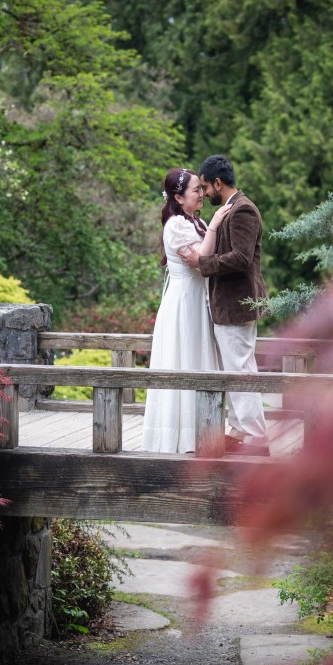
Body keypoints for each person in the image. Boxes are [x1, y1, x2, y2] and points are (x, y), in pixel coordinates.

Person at [179, 154, 270, 456]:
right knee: (235, 369)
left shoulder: (244, 211)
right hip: (228, 306)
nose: (204, 194)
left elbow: (242, 259)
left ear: (217, 183)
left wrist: (202, 263)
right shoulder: (232, 209)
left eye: (205, 187)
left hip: (237, 305)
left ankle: (257, 439)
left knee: (241, 371)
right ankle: (239, 430)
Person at [142, 167, 224, 454]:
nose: (201, 194)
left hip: (196, 301)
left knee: (197, 357)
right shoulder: (177, 225)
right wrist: (214, 225)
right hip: (183, 304)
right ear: (178, 197)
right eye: (195, 190)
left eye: (201, 189)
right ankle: (182, 436)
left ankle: (204, 433)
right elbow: (201, 259)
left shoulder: (193, 223)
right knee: (184, 357)